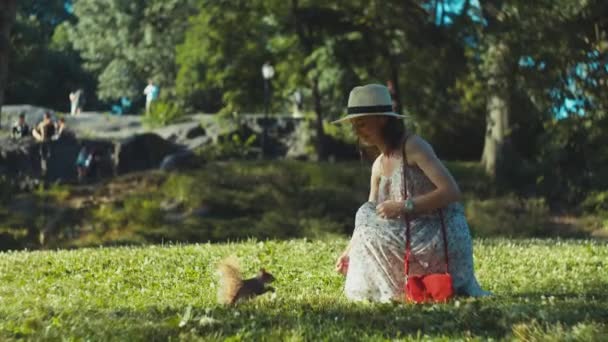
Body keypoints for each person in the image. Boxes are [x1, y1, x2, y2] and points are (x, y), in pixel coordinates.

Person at [333, 84, 489, 302]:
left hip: (436, 232)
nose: (358, 131)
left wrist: (403, 206)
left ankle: (408, 286)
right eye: (354, 125)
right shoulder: (377, 165)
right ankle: (396, 288)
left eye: (362, 123)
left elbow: (451, 191)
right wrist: (349, 251)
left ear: (382, 119)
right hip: (409, 235)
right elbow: (366, 222)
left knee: (364, 212)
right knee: (366, 212)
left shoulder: (414, 146)